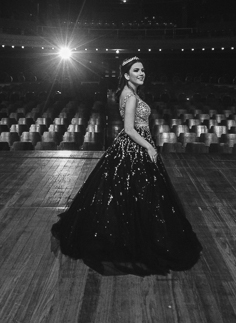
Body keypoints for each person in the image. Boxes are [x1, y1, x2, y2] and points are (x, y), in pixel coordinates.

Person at [51, 56, 202, 276]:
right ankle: (136, 240)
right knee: (139, 193)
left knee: (129, 194)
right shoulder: (130, 97)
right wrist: (149, 147)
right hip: (134, 146)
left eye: (143, 70)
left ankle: (130, 235)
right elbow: (130, 129)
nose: (141, 73)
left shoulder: (128, 94)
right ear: (125, 75)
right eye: (136, 70)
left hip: (130, 145)